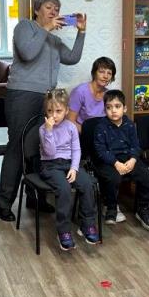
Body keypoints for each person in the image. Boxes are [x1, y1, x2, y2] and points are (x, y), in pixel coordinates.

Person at [0, 0, 86, 222]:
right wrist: (46, 29)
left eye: (57, 9)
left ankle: (35, 197)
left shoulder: (53, 38)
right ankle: (2, 201)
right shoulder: (25, 27)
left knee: (41, 146)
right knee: (17, 147)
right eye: (49, 7)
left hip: (45, 99)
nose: (54, 12)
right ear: (37, 10)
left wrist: (81, 32)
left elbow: (72, 57)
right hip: (22, 94)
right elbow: (28, 53)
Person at [39, 88, 99, 251]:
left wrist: (74, 168)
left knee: (87, 184)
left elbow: (76, 150)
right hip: (50, 165)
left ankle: (87, 225)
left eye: (58, 111)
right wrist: (49, 131)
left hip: (69, 164)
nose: (54, 115)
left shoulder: (71, 127)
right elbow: (50, 153)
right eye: (50, 111)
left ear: (66, 111)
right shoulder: (43, 129)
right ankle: (63, 231)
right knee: (64, 188)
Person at [93, 90, 149, 231]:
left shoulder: (129, 124)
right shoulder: (101, 127)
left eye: (117, 106)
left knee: (145, 174)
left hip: (128, 158)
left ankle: (143, 208)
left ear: (125, 108)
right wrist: (116, 163)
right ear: (104, 109)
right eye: (109, 107)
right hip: (108, 160)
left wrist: (133, 160)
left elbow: (136, 146)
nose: (113, 110)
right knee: (113, 177)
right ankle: (110, 207)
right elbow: (101, 151)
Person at [67, 57, 115, 132]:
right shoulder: (80, 91)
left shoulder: (109, 95)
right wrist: (89, 134)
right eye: (101, 72)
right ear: (94, 73)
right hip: (82, 133)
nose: (105, 76)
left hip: (102, 134)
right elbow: (70, 121)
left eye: (109, 73)